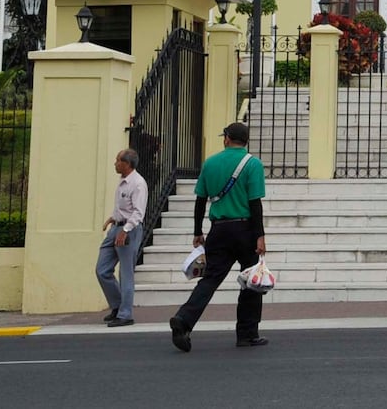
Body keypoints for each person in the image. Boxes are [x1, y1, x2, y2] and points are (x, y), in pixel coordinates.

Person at [170, 122, 268, 351]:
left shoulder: (210, 163)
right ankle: (247, 333)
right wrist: (260, 235)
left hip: (219, 230)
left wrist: (197, 231)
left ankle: (184, 320)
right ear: (245, 141)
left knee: (210, 280)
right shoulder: (253, 164)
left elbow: (200, 200)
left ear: (226, 138)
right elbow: (255, 203)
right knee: (251, 281)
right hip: (245, 229)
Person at [96, 148, 149, 328]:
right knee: (102, 269)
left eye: (118, 160)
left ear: (126, 164)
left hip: (129, 230)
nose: (115, 163)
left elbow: (138, 212)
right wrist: (113, 218)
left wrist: (125, 230)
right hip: (116, 227)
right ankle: (117, 306)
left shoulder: (138, 184)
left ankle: (125, 314)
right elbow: (123, 207)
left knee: (126, 273)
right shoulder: (122, 182)